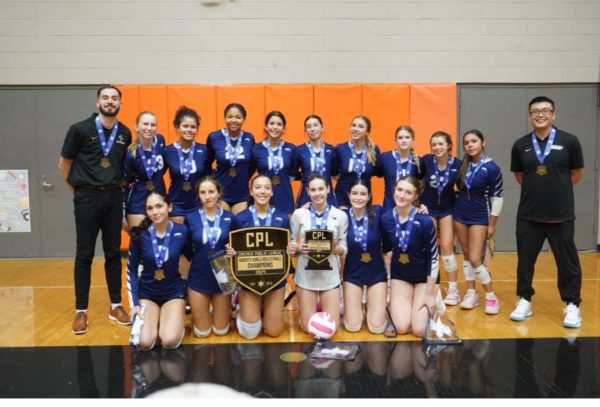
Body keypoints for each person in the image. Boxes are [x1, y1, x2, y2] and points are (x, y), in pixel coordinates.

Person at [58, 85, 132, 335]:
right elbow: (64, 164)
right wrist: (77, 194)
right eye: (105, 98)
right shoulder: (79, 129)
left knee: (113, 253)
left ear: (120, 103)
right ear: (97, 102)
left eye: (114, 98)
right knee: (84, 254)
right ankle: (81, 310)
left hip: (113, 196)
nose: (110, 102)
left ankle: (116, 305)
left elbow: (122, 168)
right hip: (87, 196)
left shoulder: (124, 133)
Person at [509, 96, 585, 328]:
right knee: (525, 260)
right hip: (529, 214)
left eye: (545, 111)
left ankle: (572, 304)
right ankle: (524, 299)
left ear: (554, 114)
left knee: (567, 261)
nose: (540, 115)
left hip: (561, 214)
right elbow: (521, 176)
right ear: (529, 116)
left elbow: (576, 173)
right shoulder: (520, 145)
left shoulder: (569, 141)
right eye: (535, 111)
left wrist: (557, 190)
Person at [227, 175, 291, 339]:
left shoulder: (282, 218)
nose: (262, 191)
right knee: (250, 333)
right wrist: (230, 252)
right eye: (258, 187)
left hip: (275, 279)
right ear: (251, 191)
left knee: (274, 332)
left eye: (267, 187)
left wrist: (292, 249)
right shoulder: (240, 218)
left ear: (272, 192)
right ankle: (241, 305)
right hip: (248, 280)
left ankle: (265, 309)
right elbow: (232, 248)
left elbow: (288, 249)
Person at [126, 191, 188, 350]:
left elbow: (194, 258)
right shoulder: (139, 234)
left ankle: (170, 319)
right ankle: (156, 319)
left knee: (169, 341)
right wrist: (134, 304)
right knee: (145, 343)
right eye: (150, 208)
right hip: (147, 294)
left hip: (173, 293)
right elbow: (131, 270)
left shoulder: (182, 231)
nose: (155, 212)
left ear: (169, 207)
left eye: (159, 206)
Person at [289, 174, 348, 333]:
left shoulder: (340, 216)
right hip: (306, 275)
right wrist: (300, 248)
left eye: (321, 189)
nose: (317, 193)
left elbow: (344, 247)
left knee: (330, 329)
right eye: (313, 190)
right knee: (309, 329)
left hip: (329, 276)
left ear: (328, 189)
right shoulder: (299, 214)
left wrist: (336, 249)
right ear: (307, 191)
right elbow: (291, 245)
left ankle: (324, 305)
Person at [381, 176, 439, 337]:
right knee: (401, 327)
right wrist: (388, 285)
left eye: (408, 192)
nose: (402, 195)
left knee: (419, 330)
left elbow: (434, 257)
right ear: (394, 190)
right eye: (399, 190)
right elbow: (386, 252)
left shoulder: (425, 221)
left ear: (415, 196)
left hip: (423, 279)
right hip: (401, 277)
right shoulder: (386, 219)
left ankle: (436, 300)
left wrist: (429, 293)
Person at [453, 130, 503, 314]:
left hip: (479, 217)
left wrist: (492, 223)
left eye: (474, 141)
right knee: (466, 256)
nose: (470, 145)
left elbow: (497, 197)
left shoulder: (492, 168)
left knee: (475, 258)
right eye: (466, 143)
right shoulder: (462, 165)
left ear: (483, 142)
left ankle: (491, 296)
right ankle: (471, 293)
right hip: (459, 214)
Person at [185, 176, 235, 338]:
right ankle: (204, 311)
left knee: (221, 331)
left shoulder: (230, 217)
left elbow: (237, 246)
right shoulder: (191, 218)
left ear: (219, 193)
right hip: (199, 275)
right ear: (198, 195)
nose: (207, 196)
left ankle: (226, 310)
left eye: (211, 191)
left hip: (223, 277)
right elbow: (186, 249)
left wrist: (232, 252)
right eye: (203, 192)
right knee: (202, 333)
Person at [419, 131, 463, 305]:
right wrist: (418, 203)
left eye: (441, 144)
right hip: (428, 207)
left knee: (446, 247)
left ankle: (453, 289)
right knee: (428, 249)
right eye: (434, 144)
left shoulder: (458, 164)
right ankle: (428, 286)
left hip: (447, 209)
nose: (437, 147)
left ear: (449, 146)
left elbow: (462, 187)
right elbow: (417, 181)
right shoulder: (426, 161)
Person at [342, 179, 387, 334]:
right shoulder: (341, 215)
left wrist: (420, 207)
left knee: (377, 328)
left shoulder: (379, 212)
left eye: (363, 194)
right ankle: (356, 305)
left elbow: (401, 211)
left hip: (376, 275)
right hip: (352, 275)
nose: (358, 198)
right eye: (354, 193)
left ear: (369, 196)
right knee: (352, 326)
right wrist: (307, 207)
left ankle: (373, 305)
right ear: (348, 195)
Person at [206, 103, 256, 214]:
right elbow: (207, 162)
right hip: (220, 194)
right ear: (225, 118)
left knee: (239, 230)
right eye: (230, 117)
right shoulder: (214, 137)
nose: (233, 120)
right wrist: (214, 179)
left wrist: (244, 176)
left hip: (241, 194)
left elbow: (253, 164)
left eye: (238, 117)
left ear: (244, 119)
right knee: (223, 228)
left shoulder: (249, 138)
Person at [164, 106, 210, 224]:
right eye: (185, 126)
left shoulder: (204, 149)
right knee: (179, 241)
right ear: (177, 128)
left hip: (198, 205)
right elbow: (156, 177)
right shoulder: (168, 151)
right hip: (177, 205)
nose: (189, 130)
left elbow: (209, 177)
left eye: (193, 127)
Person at [124, 111, 166, 228]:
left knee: (160, 242)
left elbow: (162, 168)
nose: (149, 128)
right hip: (138, 203)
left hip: (159, 201)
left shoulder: (160, 141)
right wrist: (122, 213)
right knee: (139, 242)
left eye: (153, 125)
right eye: (145, 124)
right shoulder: (131, 154)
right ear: (136, 127)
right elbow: (125, 183)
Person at [251, 111, 298, 215]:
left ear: (284, 128)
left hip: (285, 199)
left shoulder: (291, 148)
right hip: (263, 198)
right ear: (266, 127)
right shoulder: (256, 149)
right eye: (271, 123)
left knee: (286, 231)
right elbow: (250, 172)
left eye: (279, 124)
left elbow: (293, 174)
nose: (275, 127)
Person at [334, 115, 381, 209]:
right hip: (342, 200)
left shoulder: (374, 150)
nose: (355, 129)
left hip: (363, 199)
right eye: (353, 125)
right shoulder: (340, 148)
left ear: (367, 132)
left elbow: (377, 172)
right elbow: (333, 172)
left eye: (360, 126)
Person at [295, 115, 338, 208]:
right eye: (309, 127)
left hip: (328, 196)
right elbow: (293, 173)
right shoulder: (299, 150)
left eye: (315, 125)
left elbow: (335, 173)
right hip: (306, 196)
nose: (312, 129)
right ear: (305, 131)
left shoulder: (331, 149)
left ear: (322, 128)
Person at [380, 125, 421, 210]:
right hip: (389, 208)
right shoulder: (385, 158)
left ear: (413, 139)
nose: (403, 140)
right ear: (396, 140)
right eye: (400, 138)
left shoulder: (419, 162)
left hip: (410, 210)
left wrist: (421, 204)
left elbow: (422, 185)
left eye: (407, 137)